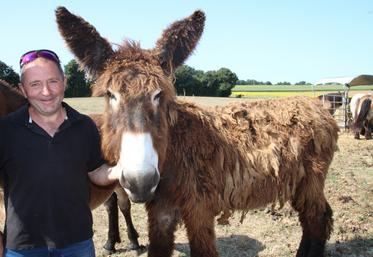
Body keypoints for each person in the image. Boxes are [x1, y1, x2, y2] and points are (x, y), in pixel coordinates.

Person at [0, 49, 121, 257]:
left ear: (64, 81)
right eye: (35, 84)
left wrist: (123, 168)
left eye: (53, 81)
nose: (46, 92)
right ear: (23, 89)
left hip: (78, 244)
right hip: (22, 248)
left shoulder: (85, 126)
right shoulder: (5, 130)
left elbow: (97, 172)